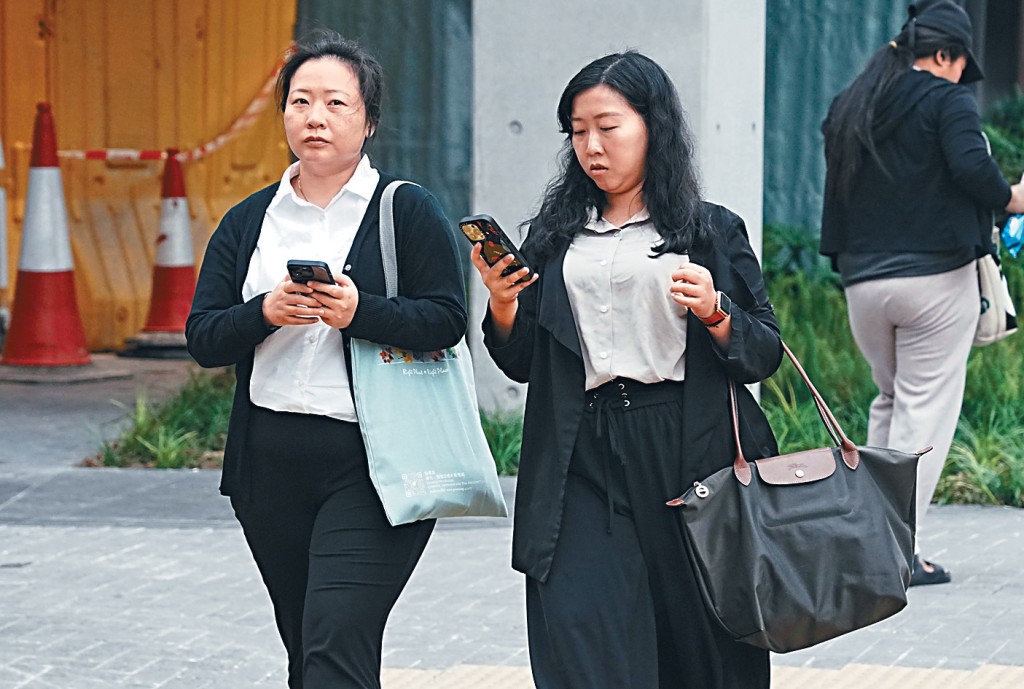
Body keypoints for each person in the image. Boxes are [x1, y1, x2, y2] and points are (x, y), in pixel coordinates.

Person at [471, 51, 782, 689]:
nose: (591, 146)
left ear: (652, 127)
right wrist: (502, 304)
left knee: (700, 640)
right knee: (584, 632)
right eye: (578, 131)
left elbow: (764, 351)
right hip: (581, 450)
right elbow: (522, 360)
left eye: (607, 127)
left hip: (687, 448)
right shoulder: (555, 237)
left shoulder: (710, 231)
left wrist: (717, 312)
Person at [185, 31, 466, 689]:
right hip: (269, 466)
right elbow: (203, 337)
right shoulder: (250, 220)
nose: (315, 116)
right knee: (308, 648)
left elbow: (446, 320)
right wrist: (264, 311)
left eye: (336, 103)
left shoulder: (406, 209)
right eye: (301, 101)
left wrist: (358, 311)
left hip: (376, 463)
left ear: (369, 122)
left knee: (336, 638)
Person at [820, 0, 1024, 587]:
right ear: (945, 56)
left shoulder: (854, 102)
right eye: (961, 65)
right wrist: (1013, 197)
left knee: (890, 402)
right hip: (935, 281)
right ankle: (897, 555)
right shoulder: (947, 100)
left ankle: (872, 544)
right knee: (923, 413)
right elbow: (972, 169)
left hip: (864, 284)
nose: (962, 78)